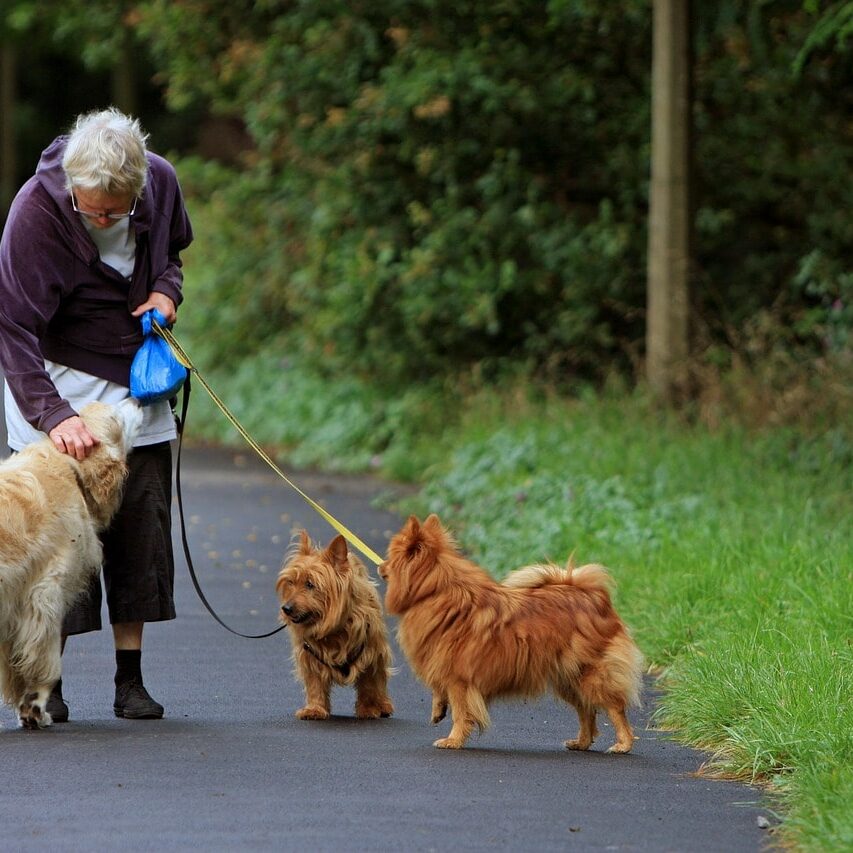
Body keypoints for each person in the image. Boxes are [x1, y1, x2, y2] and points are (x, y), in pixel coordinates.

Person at [0, 107, 193, 721]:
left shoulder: (159, 181)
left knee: (139, 520)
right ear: (71, 188)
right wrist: (54, 416)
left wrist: (166, 292)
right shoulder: (35, 211)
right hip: (53, 378)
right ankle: (47, 682)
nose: (104, 219)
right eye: (93, 210)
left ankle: (129, 679)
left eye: (115, 210)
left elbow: (173, 260)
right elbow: (11, 325)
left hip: (138, 379)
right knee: (56, 538)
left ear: (138, 186)